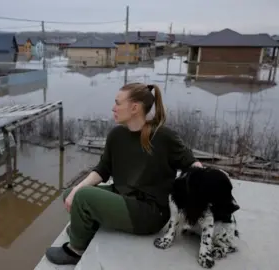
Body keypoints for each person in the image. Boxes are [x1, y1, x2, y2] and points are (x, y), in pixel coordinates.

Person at [45, 82, 203, 265]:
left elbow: (192, 164)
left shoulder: (163, 136)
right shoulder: (117, 135)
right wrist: (75, 190)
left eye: (118, 103)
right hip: (123, 196)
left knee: (83, 198)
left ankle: (76, 250)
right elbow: (102, 169)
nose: (113, 108)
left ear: (134, 108)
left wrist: (197, 195)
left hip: (149, 213)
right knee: (71, 194)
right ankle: (86, 226)